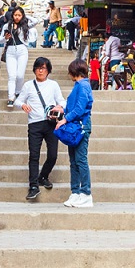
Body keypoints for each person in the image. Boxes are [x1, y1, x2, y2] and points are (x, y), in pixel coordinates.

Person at [14, 56, 66, 201]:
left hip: (50, 123)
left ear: (48, 70)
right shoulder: (28, 86)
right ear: (34, 70)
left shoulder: (53, 85)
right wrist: (22, 105)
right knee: (34, 155)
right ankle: (33, 186)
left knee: (53, 155)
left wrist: (60, 106)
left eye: (43, 68)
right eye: (38, 68)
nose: (40, 71)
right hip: (34, 124)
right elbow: (18, 100)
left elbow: (62, 100)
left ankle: (43, 176)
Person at [56, 58, 94, 207]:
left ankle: (85, 193)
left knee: (80, 160)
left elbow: (79, 108)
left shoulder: (82, 86)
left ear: (74, 71)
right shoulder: (81, 85)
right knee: (74, 161)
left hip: (80, 126)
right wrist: (63, 110)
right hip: (76, 126)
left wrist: (65, 119)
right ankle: (76, 192)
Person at [2, 5, 32, 107]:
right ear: (12, 15)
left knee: (20, 75)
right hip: (10, 51)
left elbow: (36, 21)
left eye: (19, 15)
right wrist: (5, 38)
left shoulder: (25, 25)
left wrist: (26, 17)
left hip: (22, 51)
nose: (17, 17)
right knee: (12, 76)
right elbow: (0, 40)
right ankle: (11, 97)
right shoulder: (7, 26)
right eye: (15, 15)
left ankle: (18, 92)